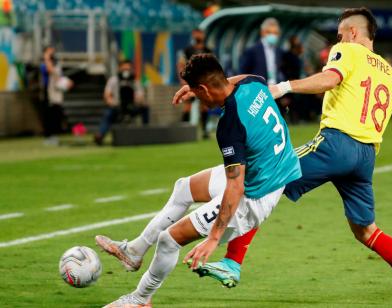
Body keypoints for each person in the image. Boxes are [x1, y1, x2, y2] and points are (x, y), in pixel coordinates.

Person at [192, 7, 392, 305]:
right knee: (366, 231)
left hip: (336, 145)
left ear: (352, 33)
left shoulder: (347, 51)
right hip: (365, 158)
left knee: (268, 177)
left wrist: (282, 88)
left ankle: (232, 262)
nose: (337, 40)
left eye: (339, 34)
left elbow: (330, 79)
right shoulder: (391, 73)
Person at [98, 54, 301, 307]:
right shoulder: (253, 83)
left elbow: (235, 187)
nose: (200, 101)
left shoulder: (230, 124)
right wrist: (194, 88)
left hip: (254, 195)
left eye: (198, 92)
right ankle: (134, 252)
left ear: (204, 88)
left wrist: (214, 237)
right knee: (184, 188)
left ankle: (140, 300)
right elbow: (239, 80)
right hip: (267, 171)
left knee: (169, 239)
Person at [94, 60, 149, 145]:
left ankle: (146, 132)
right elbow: (107, 95)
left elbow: (140, 95)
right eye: (124, 69)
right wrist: (112, 103)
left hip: (132, 107)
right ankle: (100, 135)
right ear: (120, 69)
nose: (126, 71)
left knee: (145, 108)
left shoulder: (135, 81)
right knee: (108, 114)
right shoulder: (113, 80)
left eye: (128, 69)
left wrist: (138, 100)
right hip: (117, 107)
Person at [182, 28, 214, 139]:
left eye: (200, 34)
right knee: (187, 106)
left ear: (203, 35)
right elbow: (181, 64)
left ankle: (204, 130)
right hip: (190, 82)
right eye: (196, 34)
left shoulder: (208, 50)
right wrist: (182, 80)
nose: (198, 36)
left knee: (204, 106)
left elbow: (212, 67)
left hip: (204, 83)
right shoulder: (188, 50)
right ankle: (184, 131)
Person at [39, 46, 73, 146]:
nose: (52, 52)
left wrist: (66, 82)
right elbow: (50, 70)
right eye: (50, 51)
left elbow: (58, 75)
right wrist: (46, 57)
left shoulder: (55, 62)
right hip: (47, 91)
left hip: (56, 91)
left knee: (56, 114)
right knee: (48, 115)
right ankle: (48, 136)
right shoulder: (44, 63)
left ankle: (54, 135)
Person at [239, 17, 284, 85]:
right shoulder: (252, 50)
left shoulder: (279, 51)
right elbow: (243, 73)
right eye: (269, 32)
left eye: (275, 33)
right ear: (262, 32)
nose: (272, 35)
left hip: (274, 88)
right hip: (257, 90)